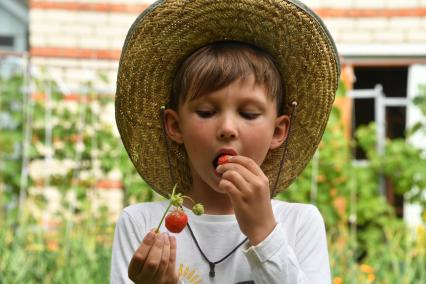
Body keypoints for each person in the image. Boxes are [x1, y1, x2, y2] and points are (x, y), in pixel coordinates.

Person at [111, 0, 340, 283]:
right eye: (206, 112)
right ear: (174, 125)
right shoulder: (143, 227)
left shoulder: (299, 224)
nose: (228, 128)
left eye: (249, 113)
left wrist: (264, 232)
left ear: (279, 131)